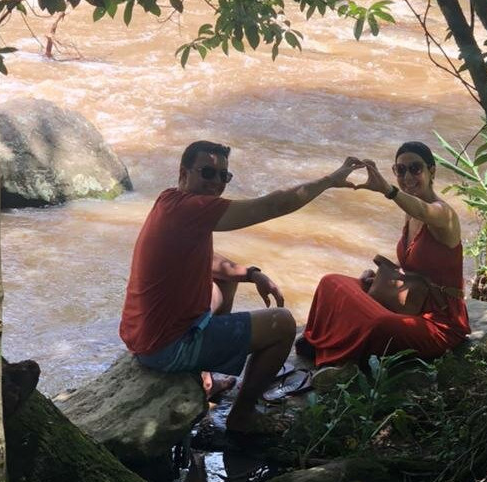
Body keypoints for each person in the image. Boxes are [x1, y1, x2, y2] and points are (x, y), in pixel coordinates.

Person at [119, 140, 363, 433]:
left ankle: (204, 379)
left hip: (144, 337)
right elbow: (274, 205)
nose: (216, 183)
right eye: (207, 173)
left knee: (226, 278)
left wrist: (250, 273)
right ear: (183, 173)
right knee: (283, 324)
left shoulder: (169, 201)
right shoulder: (193, 209)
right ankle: (242, 415)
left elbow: (207, 258)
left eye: (224, 176)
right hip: (167, 347)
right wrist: (329, 181)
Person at [301, 141, 470, 382]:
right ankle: (320, 346)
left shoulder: (444, 213)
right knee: (332, 283)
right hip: (410, 303)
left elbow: (425, 211)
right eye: (400, 170)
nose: (407, 176)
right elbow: (418, 267)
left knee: (379, 324)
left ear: (432, 171)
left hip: (440, 321)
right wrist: (378, 279)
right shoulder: (409, 212)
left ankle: (346, 366)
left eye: (415, 168)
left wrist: (388, 189)